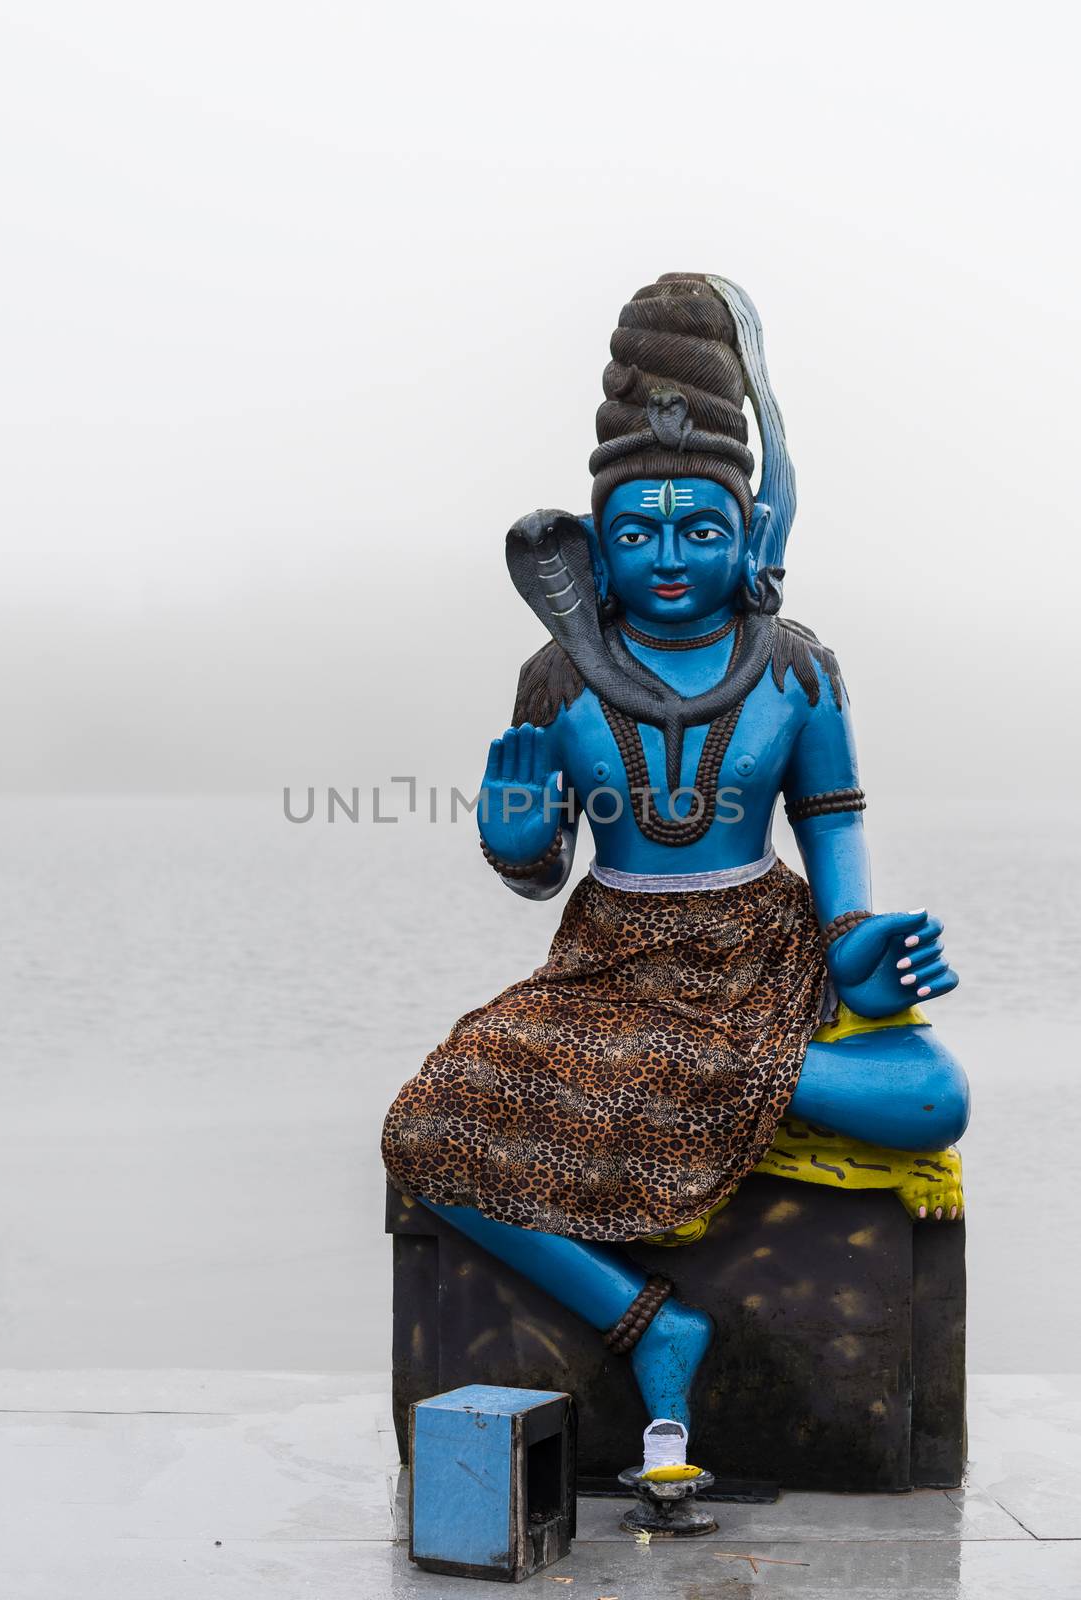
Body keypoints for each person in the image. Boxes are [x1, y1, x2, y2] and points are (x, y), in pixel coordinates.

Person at [382, 274, 968, 1476]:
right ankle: (648, 1319)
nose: (665, 556)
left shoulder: (794, 671)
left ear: (750, 535)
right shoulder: (559, 678)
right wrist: (514, 835)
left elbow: (835, 837)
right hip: (610, 961)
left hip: (762, 952)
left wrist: (856, 945)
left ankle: (727, 1076)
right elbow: (542, 873)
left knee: (931, 1099)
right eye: (636, 531)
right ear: (593, 544)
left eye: (698, 528)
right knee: (425, 1126)